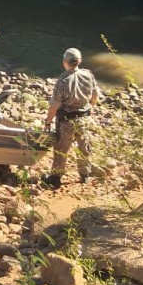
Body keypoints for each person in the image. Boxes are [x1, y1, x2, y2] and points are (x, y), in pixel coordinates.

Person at [43, 48, 100, 189]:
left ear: (64, 62)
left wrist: (48, 122)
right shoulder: (89, 75)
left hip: (66, 121)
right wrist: (90, 108)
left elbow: (54, 106)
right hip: (84, 118)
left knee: (61, 149)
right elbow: (95, 96)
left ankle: (55, 178)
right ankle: (84, 175)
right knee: (84, 147)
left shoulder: (63, 80)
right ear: (80, 61)